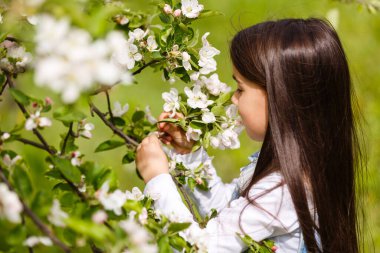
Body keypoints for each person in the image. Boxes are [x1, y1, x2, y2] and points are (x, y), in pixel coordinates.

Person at [135, 18, 364, 252]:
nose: (233, 99)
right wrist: (189, 153)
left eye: (240, 89)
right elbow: (228, 214)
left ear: (280, 98)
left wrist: (157, 180)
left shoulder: (282, 190)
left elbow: (201, 248)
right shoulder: (297, 167)